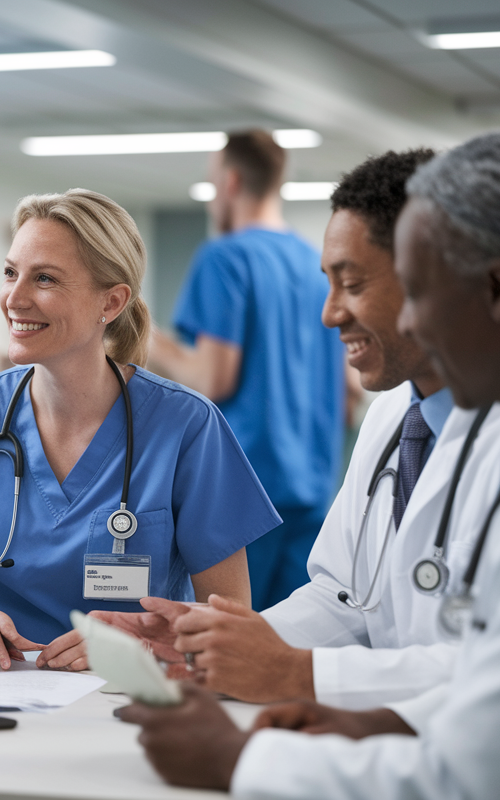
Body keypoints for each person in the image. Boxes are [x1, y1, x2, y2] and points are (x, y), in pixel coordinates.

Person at [118, 130, 500, 799]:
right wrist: (360, 713)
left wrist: (239, 759)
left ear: (497, 290)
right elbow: (376, 608)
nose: (332, 316)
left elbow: (473, 775)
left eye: (417, 291)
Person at [93, 150, 500, 711]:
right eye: (330, 283)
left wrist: (295, 673)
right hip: (305, 484)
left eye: (354, 283)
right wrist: (223, 646)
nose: (329, 314)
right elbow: (344, 598)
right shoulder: (394, 416)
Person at [0, 189, 279, 673]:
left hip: (132, 692)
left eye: (45, 278)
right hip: (3, 688)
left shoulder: (187, 426)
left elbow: (230, 615)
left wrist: (139, 645)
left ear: (111, 302)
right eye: (11, 272)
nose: (15, 297)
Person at [148, 129, 345, 610]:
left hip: (243, 494)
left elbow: (213, 379)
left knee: (230, 640)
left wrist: (143, 338)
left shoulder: (225, 257)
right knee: (292, 639)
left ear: (231, 181)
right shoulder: (314, 263)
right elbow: (350, 387)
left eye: (212, 183)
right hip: (314, 487)